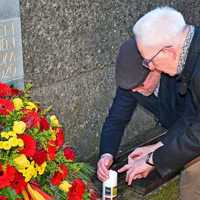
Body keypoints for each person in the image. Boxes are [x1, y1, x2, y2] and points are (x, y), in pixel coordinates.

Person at [97, 6, 200, 200]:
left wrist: (156, 155)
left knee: (192, 178)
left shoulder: (179, 72)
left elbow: (192, 121)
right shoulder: (133, 82)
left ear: (156, 68)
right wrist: (106, 154)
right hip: (183, 136)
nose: (137, 92)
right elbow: (116, 120)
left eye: (151, 63)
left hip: (189, 137)